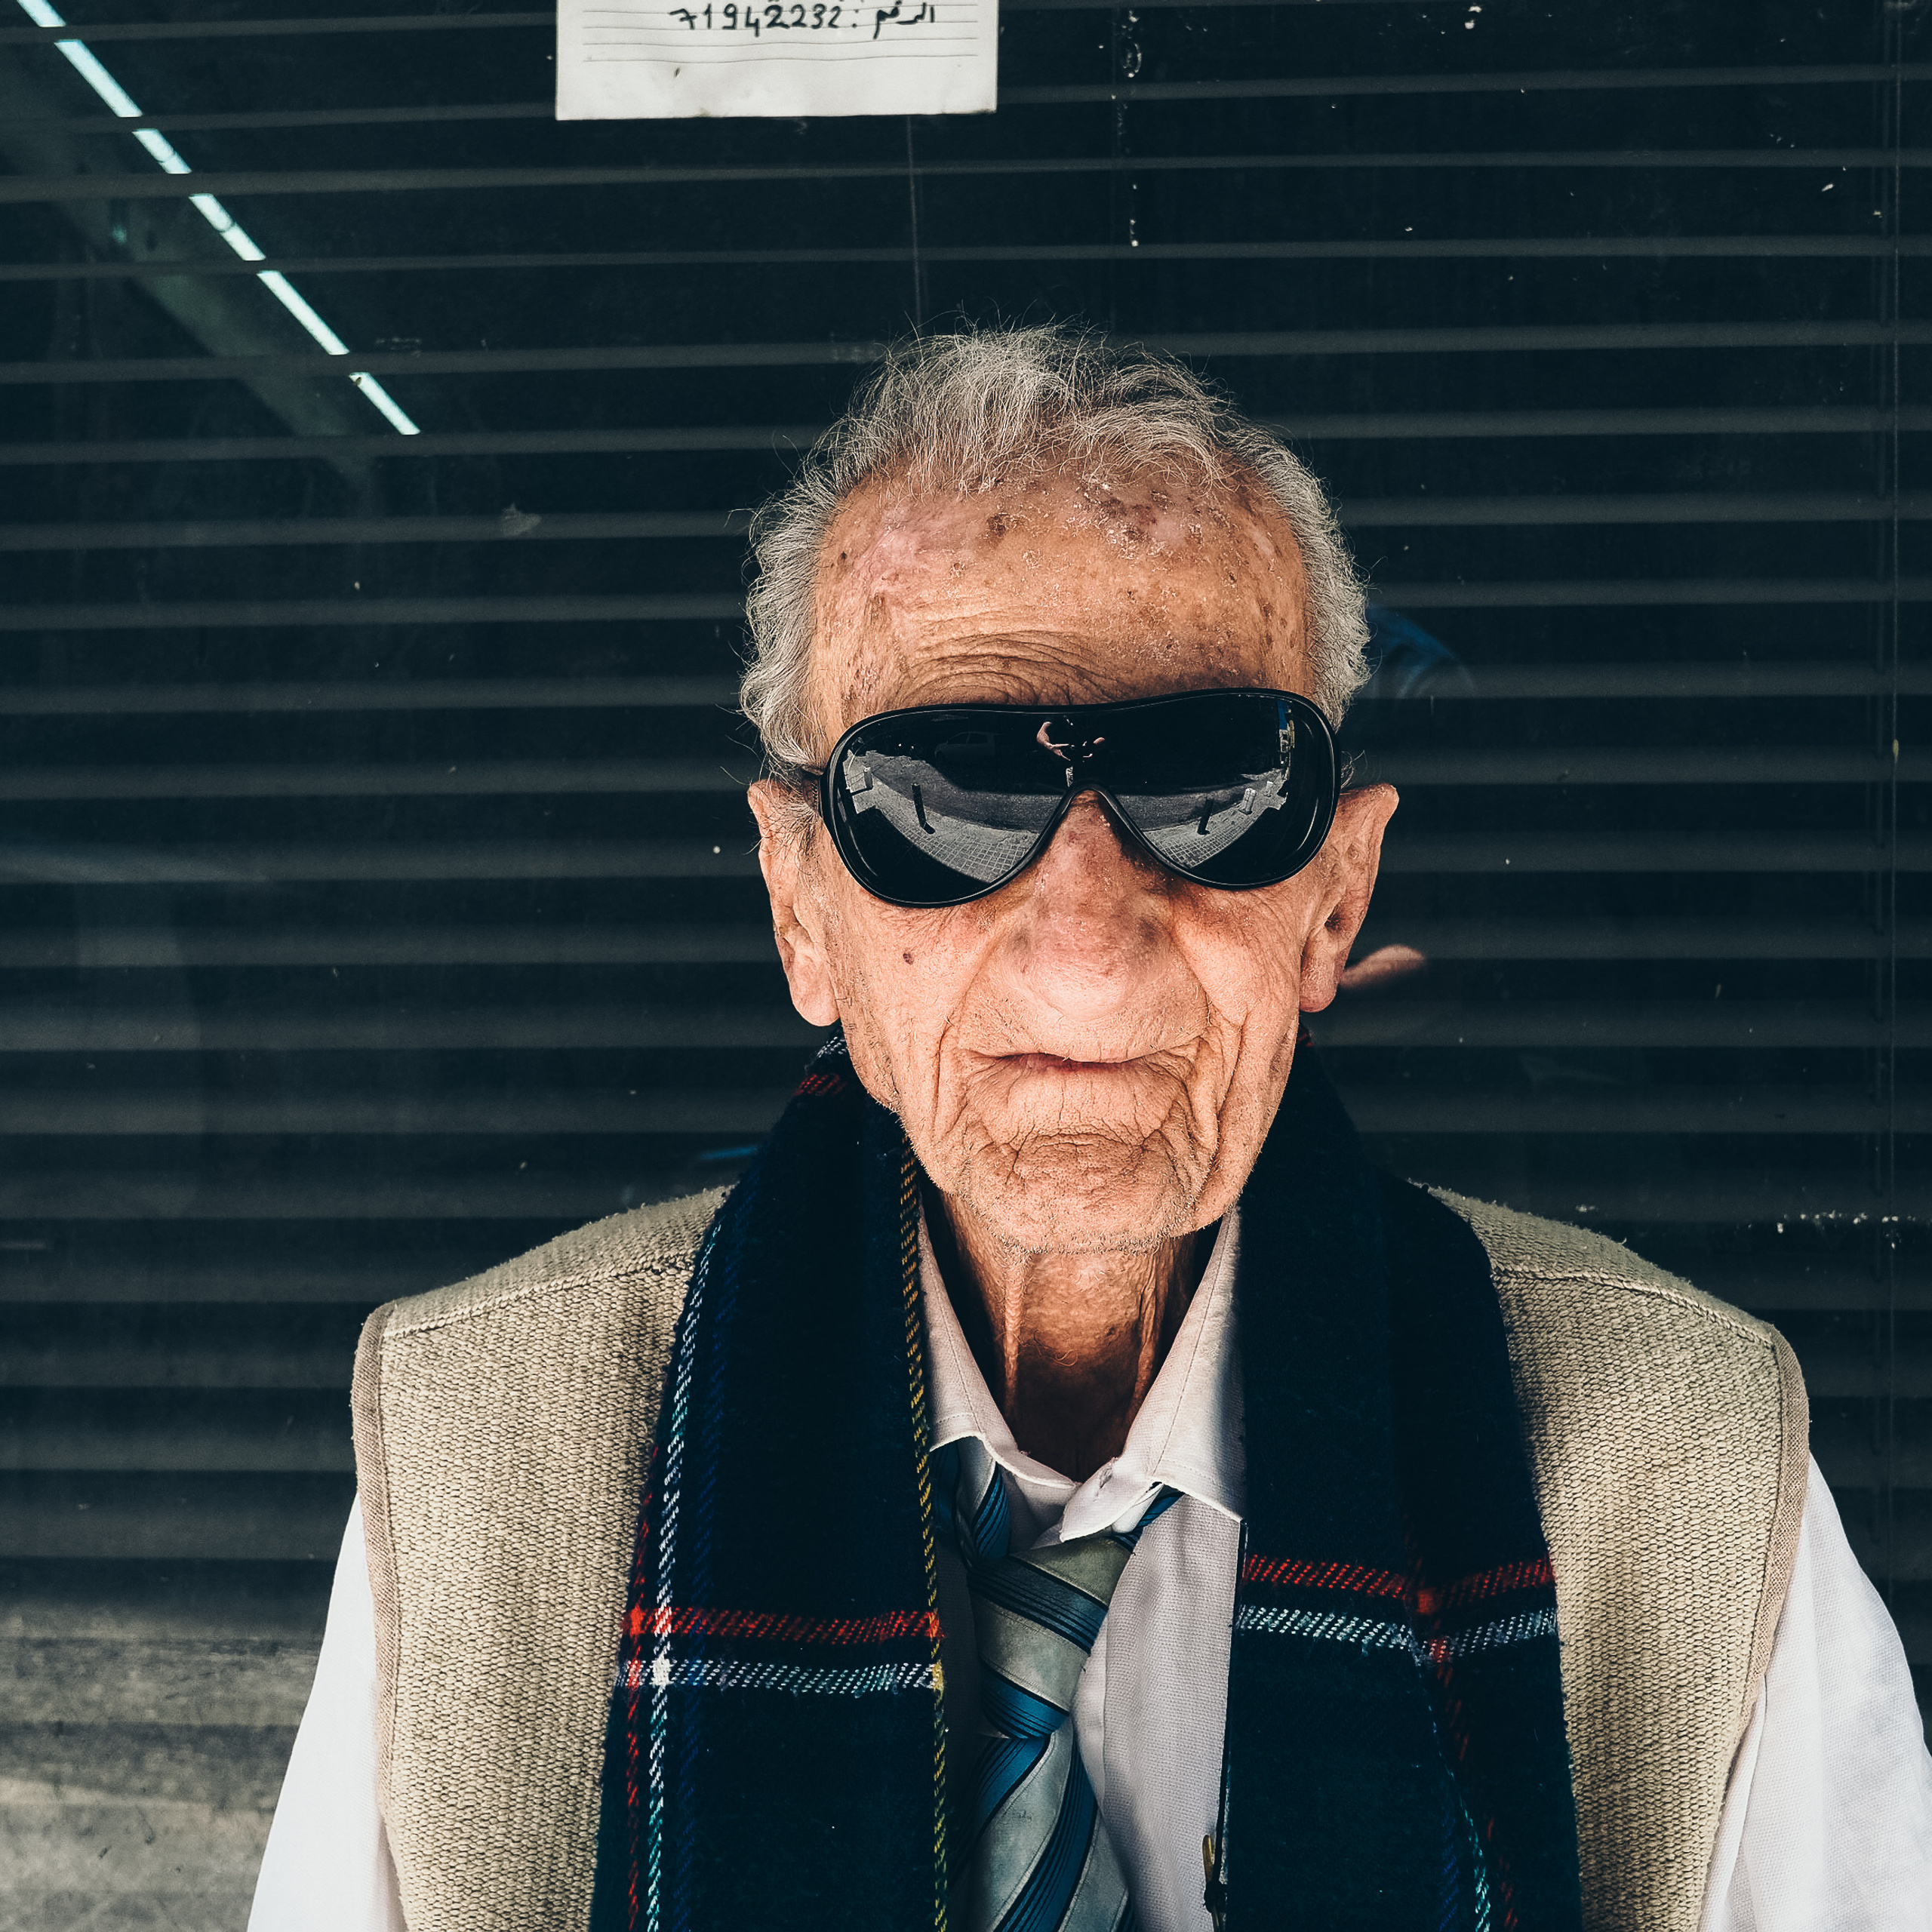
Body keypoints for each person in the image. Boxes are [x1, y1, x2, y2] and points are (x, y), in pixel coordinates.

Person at [249, 326, 1932, 1932]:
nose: (1084, 930)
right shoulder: (480, 1460)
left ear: (1332, 899)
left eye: (1214, 789)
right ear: (801, 916)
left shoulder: (1688, 1465)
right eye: (942, 794)